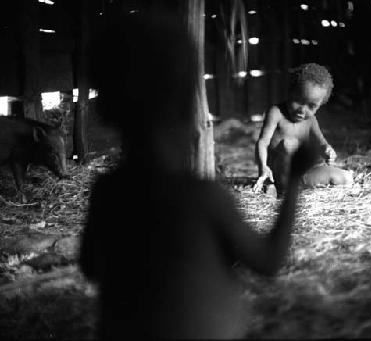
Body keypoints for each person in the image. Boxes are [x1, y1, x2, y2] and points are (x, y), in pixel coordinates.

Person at [79, 9, 316, 339]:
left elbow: (90, 266)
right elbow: (269, 260)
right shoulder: (203, 197)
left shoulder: (107, 192)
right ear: (187, 109)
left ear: (105, 111)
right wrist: (294, 188)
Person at [253, 63, 352, 196]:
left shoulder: (310, 121)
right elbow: (262, 142)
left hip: (302, 177)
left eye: (311, 106)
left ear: (319, 106)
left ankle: (303, 190)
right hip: (277, 177)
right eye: (298, 101)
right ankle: (276, 189)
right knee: (288, 145)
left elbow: (322, 144)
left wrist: (328, 150)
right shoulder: (276, 113)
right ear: (290, 92)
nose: (302, 110)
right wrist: (263, 167)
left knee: (343, 178)